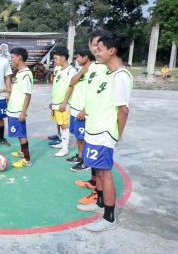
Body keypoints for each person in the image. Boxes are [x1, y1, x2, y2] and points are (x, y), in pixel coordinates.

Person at [77, 31, 133, 232]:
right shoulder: (106, 71)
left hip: (104, 132)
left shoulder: (121, 76)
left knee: (106, 173)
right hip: (94, 129)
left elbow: (123, 111)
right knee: (98, 171)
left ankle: (109, 218)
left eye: (100, 49)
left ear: (112, 50)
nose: (96, 52)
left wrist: (117, 135)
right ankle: (99, 203)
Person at [73, 30, 111, 205]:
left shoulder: (108, 69)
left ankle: (99, 195)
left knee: (100, 164)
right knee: (92, 158)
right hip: (90, 121)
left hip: (100, 124)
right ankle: (94, 183)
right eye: (94, 45)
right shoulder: (93, 67)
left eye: (99, 46)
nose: (96, 49)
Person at [0, 47, 33, 168]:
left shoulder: (26, 74)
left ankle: (27, 159)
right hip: (13, 109)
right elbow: (16, 90)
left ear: (20, 57)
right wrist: (2, 90)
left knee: (21, 134)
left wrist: (23, 112)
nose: (11, 59)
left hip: (18, 111)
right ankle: (23, 152)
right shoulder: (19, 72)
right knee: (19, 133)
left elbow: (28, 94)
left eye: (13, 57)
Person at [61, 47, 94, 173]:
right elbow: (72, 82)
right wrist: (81, 71)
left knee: (84, 137)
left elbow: (94, 94)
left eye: (78, 57)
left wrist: (85, 109)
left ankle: (87, 161)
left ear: (86, 57)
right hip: (74, 109)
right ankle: (80, 156)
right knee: (78, 136)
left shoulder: (94, 71)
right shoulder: (81, 69)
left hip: (82, 111)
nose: (76, 59)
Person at [49, 46, 77, 157]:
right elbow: (56, 86)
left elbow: (71, 87)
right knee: (58, 122)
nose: (54, 61)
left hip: (63, 103)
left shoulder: (71, 70)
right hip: (56, 102)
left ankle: (65, 149)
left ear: (64, 58)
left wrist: (64, 102)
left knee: (64, 124)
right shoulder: (58, 69)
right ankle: (62, 142)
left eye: (56, 58)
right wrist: (53, 101)